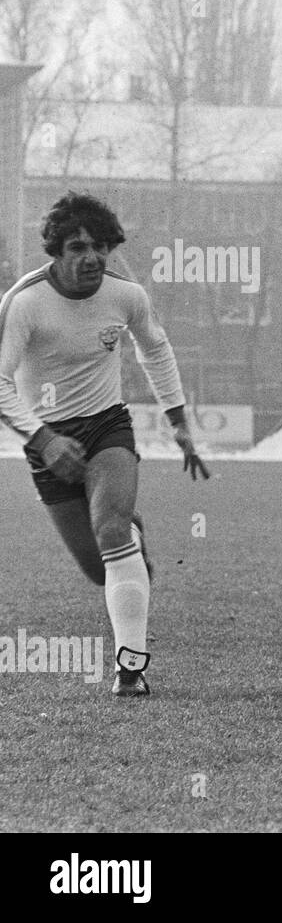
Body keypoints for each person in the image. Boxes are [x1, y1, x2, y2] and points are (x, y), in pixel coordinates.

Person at [0, 192, 209, 696]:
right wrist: (44, 439)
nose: (91, 257)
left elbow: (156, 350)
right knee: (99, 570)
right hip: (46, 439)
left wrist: (179, 421)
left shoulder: (126, 296)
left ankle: (130, 668)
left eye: (100, 246)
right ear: (56, 251)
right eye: (77, 247)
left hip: (107, 426)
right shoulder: (24, 302)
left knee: (111, 529)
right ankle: (125, 535)